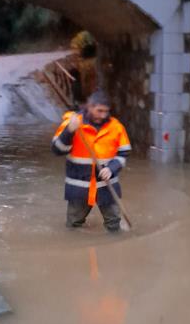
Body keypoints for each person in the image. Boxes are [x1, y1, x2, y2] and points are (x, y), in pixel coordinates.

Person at [52, 90, 131, 232]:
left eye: (106, 111)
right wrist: (69, 131)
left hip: (107, 186)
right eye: (99, 111)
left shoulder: (116, 127)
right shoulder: (72, 124)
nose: (103, 115)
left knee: (114, 225)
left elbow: (124, 153)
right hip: (79, 187)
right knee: (73, 225)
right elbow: (57, 150)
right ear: (89, 106)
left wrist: (112, 168)